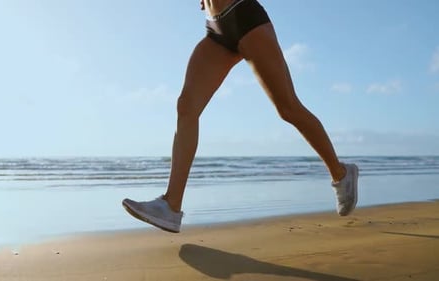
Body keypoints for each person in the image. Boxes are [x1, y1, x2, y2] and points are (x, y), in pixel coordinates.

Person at [122, 0, 359, 233]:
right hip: (216, 29)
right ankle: (171, 206)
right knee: (186, 107)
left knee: (288, 108)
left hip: (246, 17)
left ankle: (341, 173)